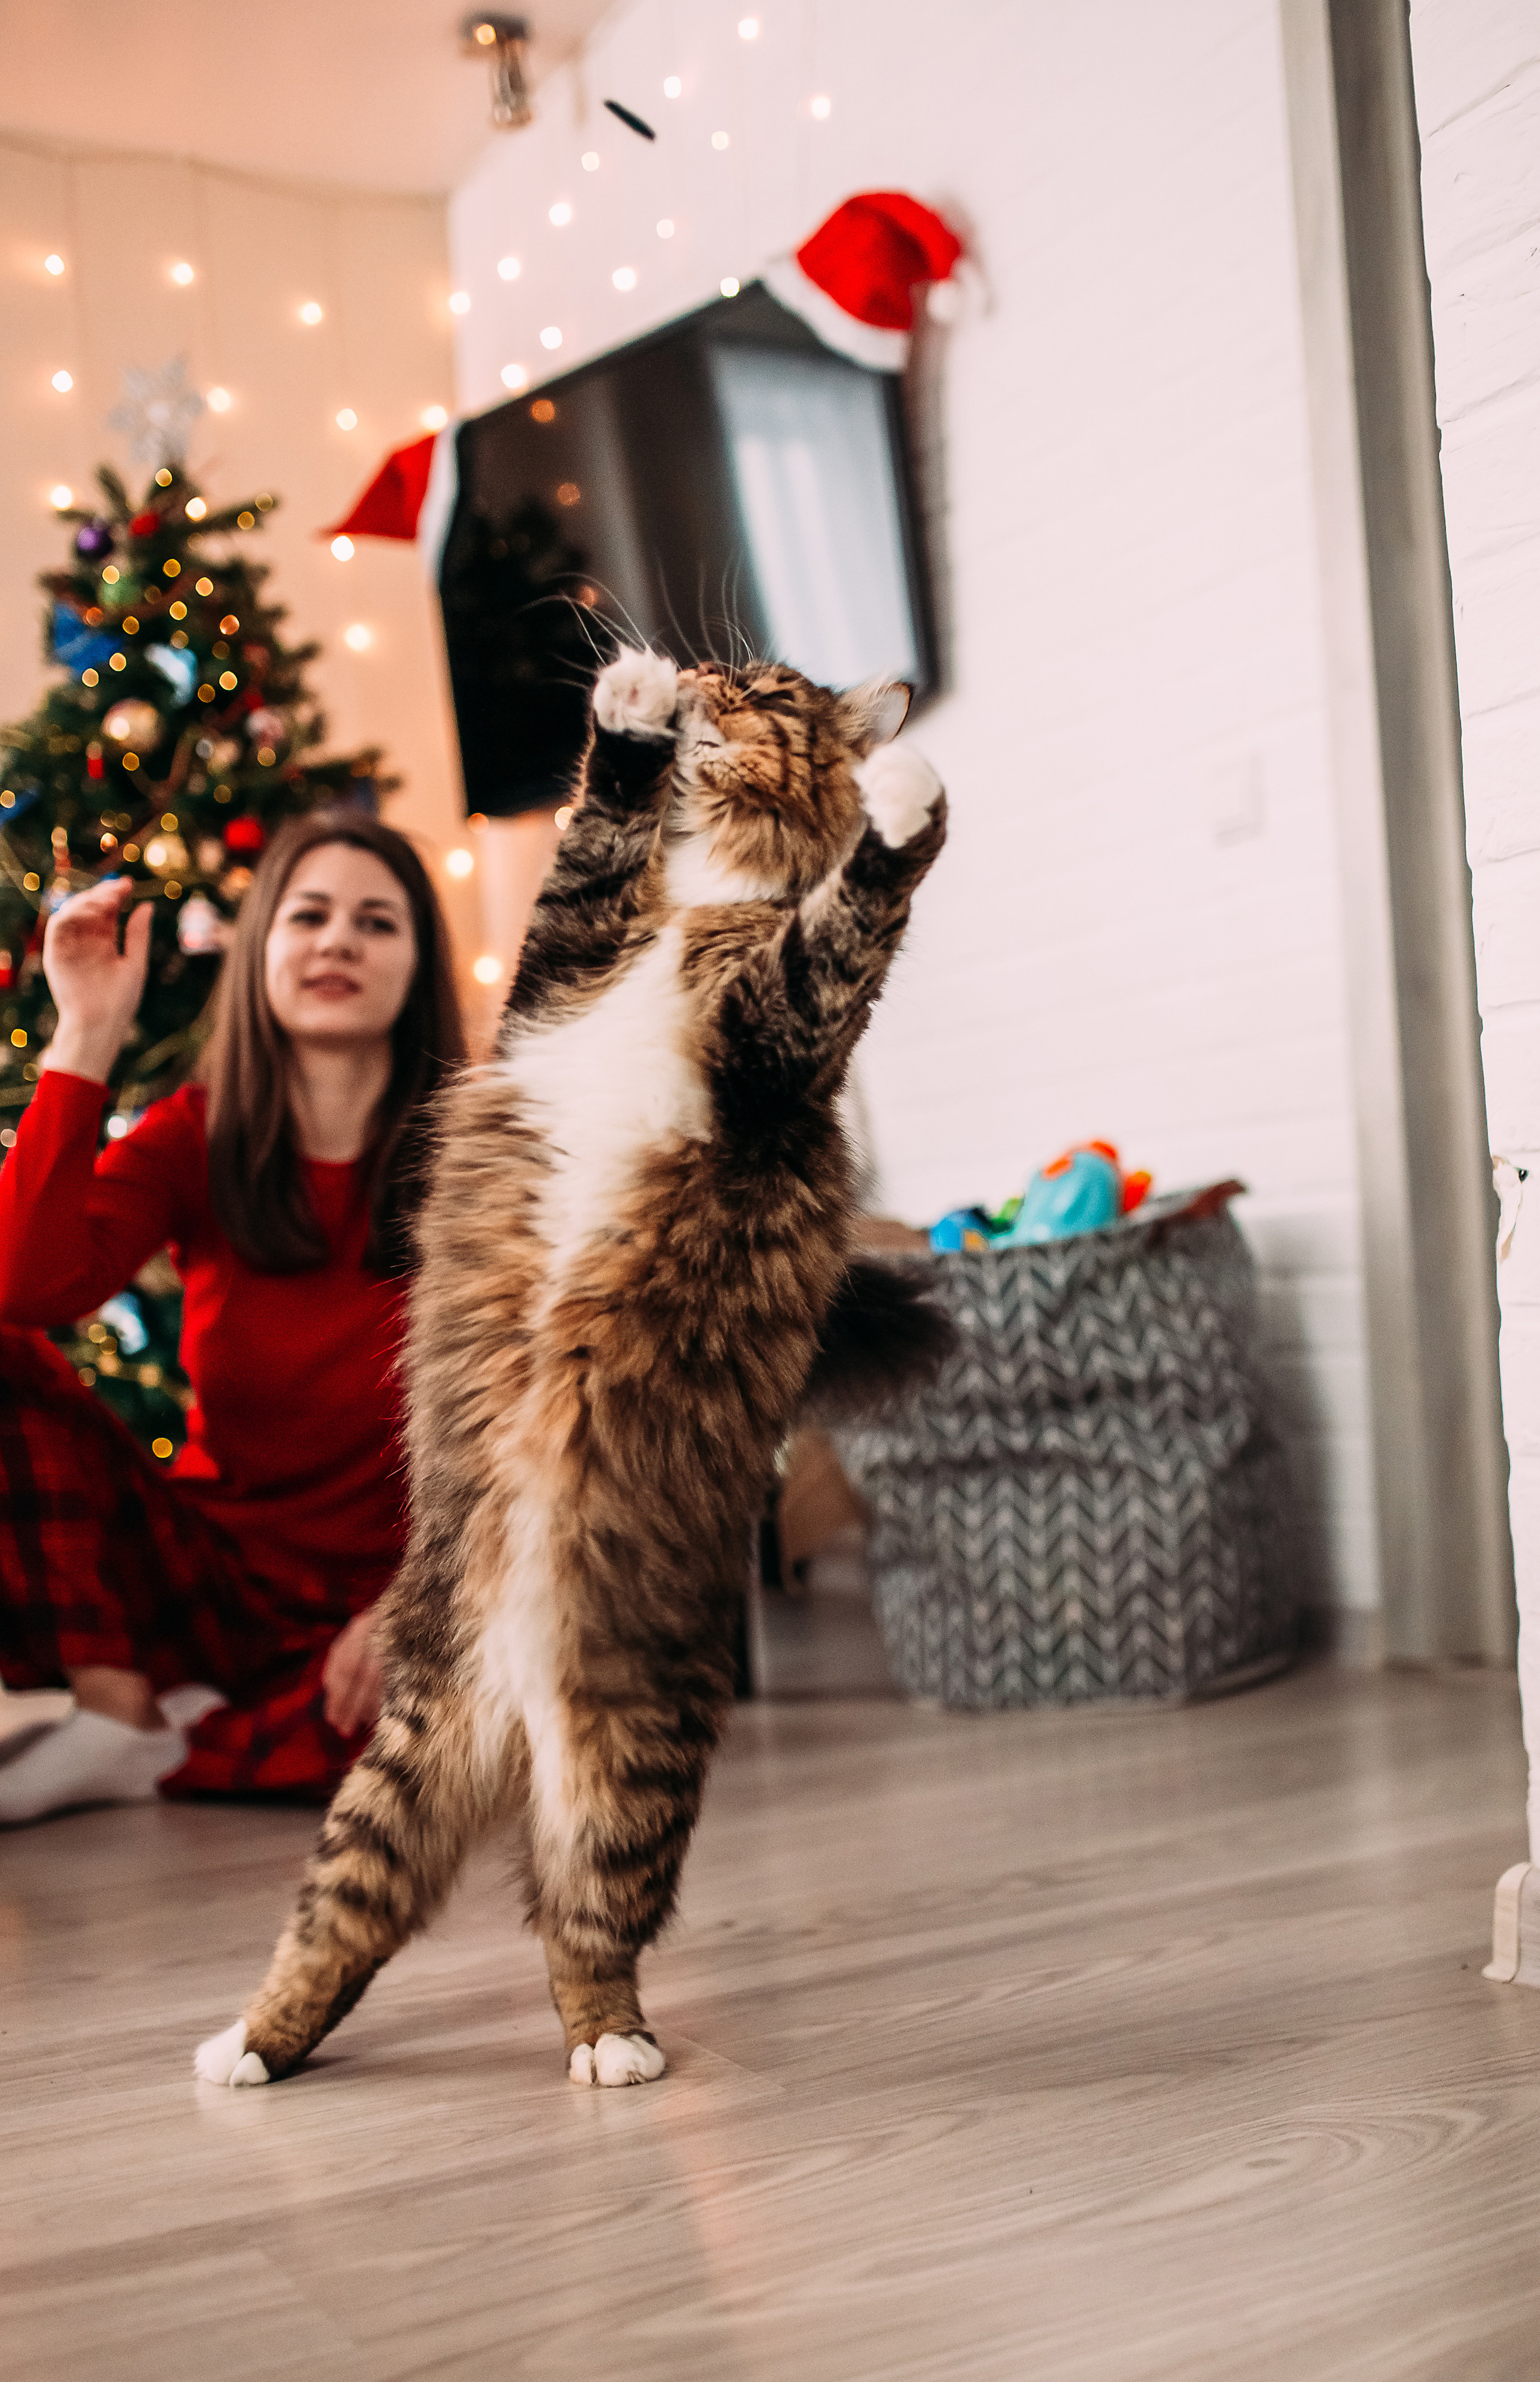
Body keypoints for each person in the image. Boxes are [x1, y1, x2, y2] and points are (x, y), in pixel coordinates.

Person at [0, 811, 466, 1824]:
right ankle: (124, 1710)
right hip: (214, 1585)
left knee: (432, 1761)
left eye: (376, 923)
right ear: (262, 951)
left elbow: (550, 1426)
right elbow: (22, 1292)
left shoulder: (488, 1157)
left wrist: (426, 1601)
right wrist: (86, 1032)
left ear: (416, 964)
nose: (338, 940)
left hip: (402, 1599)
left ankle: (175, 1741)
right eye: (309, 916)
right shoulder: (194, 1136)